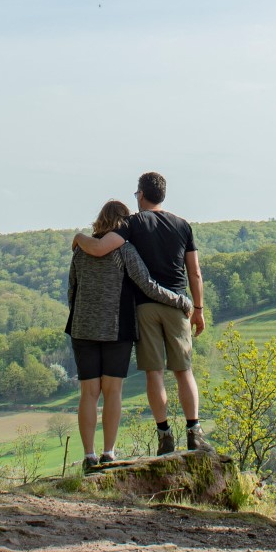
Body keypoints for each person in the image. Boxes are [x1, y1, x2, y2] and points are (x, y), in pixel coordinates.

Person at [74, 171, 207, 455]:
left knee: (154, 373)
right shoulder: (183, 225)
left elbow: (99, 249)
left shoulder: (132, 224)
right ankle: (194, 432)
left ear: (141, 195)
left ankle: (164, 435)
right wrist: (197, 308)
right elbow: (194, 272)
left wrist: (79, 238)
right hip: (177, 303)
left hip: (144, 307)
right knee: (184, 371)